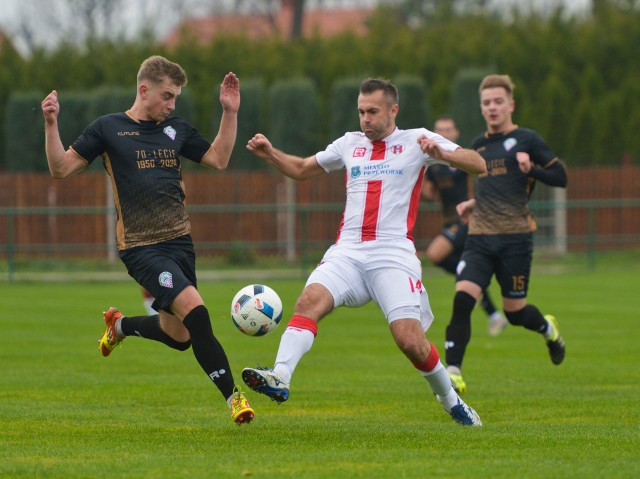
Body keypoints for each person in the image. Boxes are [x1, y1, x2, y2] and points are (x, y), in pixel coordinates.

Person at [242, 78, 487, 426]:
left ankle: (451, 400)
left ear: (393, 110)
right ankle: (280, 376)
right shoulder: (349, 144)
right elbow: (300, 169)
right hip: (348, 253)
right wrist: (270, 154)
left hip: (393, 256)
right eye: (361, 111)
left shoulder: (417, 140)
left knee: (410, 341)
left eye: (372, 111)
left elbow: (478, 163)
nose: (365, 119)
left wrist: (443, 153)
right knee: (308, 301)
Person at [41, 55, 254, 425]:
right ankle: (234, 398)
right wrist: (50, 122)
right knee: (198, 313)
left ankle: (119, 326)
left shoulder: (176, 129)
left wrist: (230, 112)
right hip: (141, 248)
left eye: (175, 99)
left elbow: (219, 158)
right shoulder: (108, 129)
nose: (172, 105)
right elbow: (60, 169)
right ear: (144, 89)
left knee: (180, 335)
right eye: (167, 96)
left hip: (181, 244)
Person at [444, 74, 568, 394]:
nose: (492, 107)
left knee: (515, 314)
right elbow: (489, 185)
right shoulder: (478, 145)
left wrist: (533, 170)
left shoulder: (528, 139)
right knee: (462, 298)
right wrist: (474, 202)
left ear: (511, 104)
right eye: (487, 103)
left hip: (516, 238)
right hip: (480, 237)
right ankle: (453, 371)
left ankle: (548, 329)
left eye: (498, 101)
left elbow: (560, 176)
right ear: (482, 108)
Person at [422, 115, 506, 336]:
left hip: (468, 220)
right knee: (464, 271)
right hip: (449, 221)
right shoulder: (432, 162)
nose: (443, 134)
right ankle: (494, 315)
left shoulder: (461, 158)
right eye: (439, 130)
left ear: (455, 133)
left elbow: (484, 174)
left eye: (448, 129)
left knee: (435, 254)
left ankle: (478, 277)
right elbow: (429, 191)